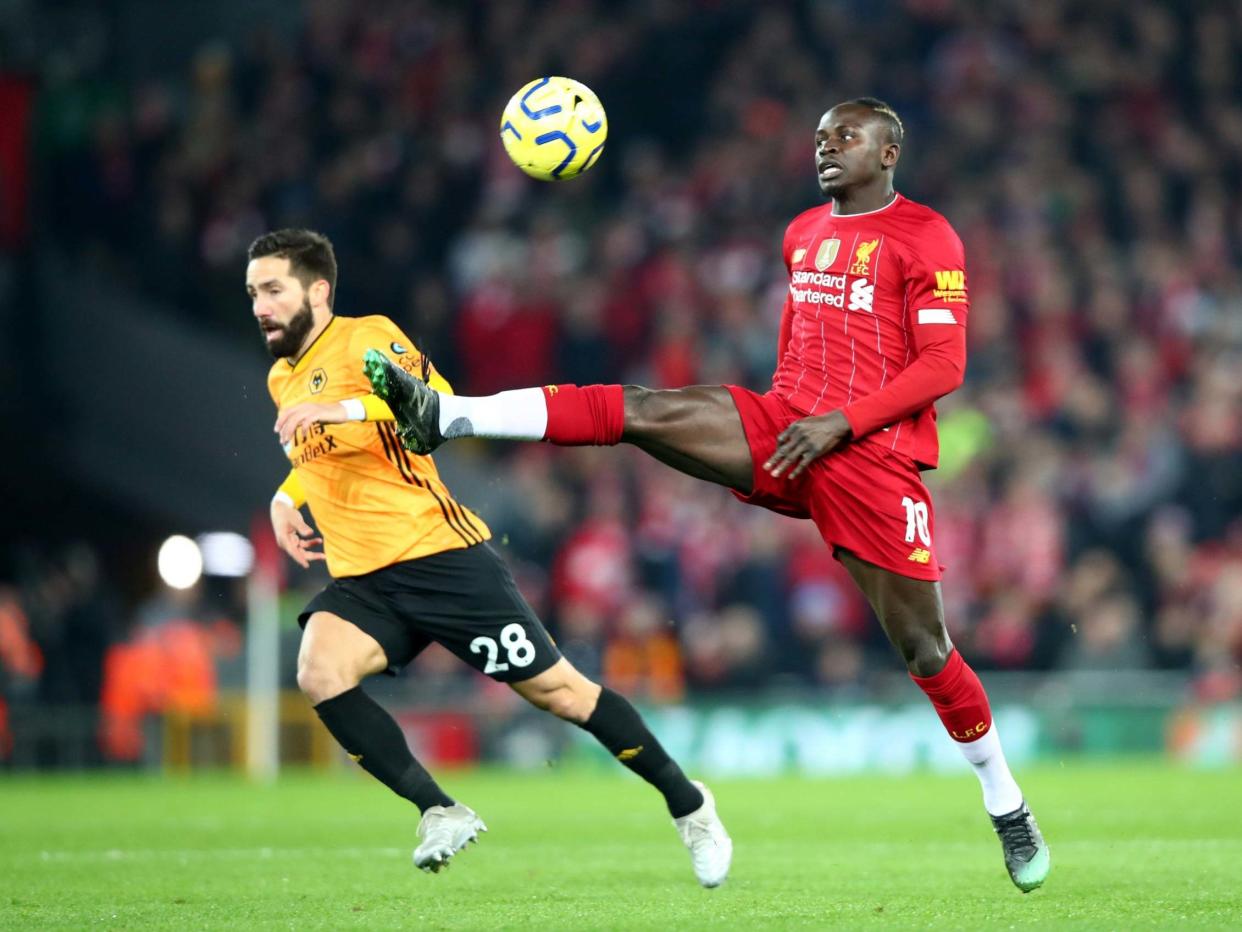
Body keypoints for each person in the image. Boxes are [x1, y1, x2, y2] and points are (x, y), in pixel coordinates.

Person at [364, 98, 1050, 892]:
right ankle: (451, 413)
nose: (828, 148)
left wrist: (840, 423)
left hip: (871, 459)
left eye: (847, 136)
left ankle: (1005, 799)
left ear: (890, 150)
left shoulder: (928, 235)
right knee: (647, 410)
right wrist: (779, 423)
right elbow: (802, 344)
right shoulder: (803, 232)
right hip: (787, 427)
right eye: (821, 137)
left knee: (924, 651)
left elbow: (943, 367)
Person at [247, 228, 731, 885]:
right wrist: (285, 497)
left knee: (559, 692)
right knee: (319, 671)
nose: (260, 305)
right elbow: (314, 453)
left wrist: (340, 405)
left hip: (439, 555)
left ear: (318, 290)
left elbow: (436, 403)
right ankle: (439, 810)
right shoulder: (283, 376)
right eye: (253, 292)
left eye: (273, 289)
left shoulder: (365, 338)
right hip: (364, 576)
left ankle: (688, 802)